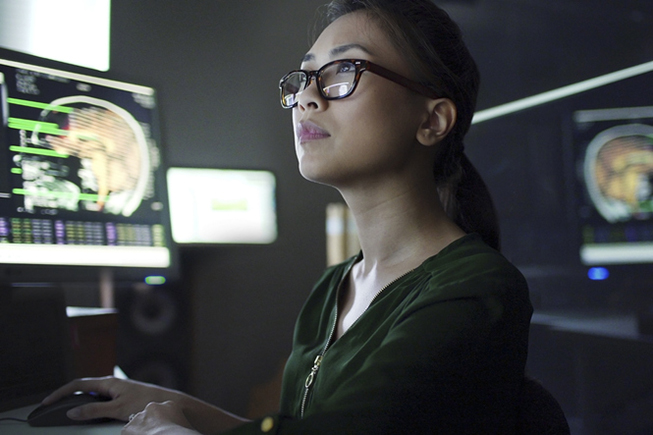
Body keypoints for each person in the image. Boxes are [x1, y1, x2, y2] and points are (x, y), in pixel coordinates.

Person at [42, 0, 533, 433]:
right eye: (304, 77)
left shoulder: (477, 288)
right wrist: (172, 406)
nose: (306, 98)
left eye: (344, 72)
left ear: (432, 120)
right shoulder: (333, 288)